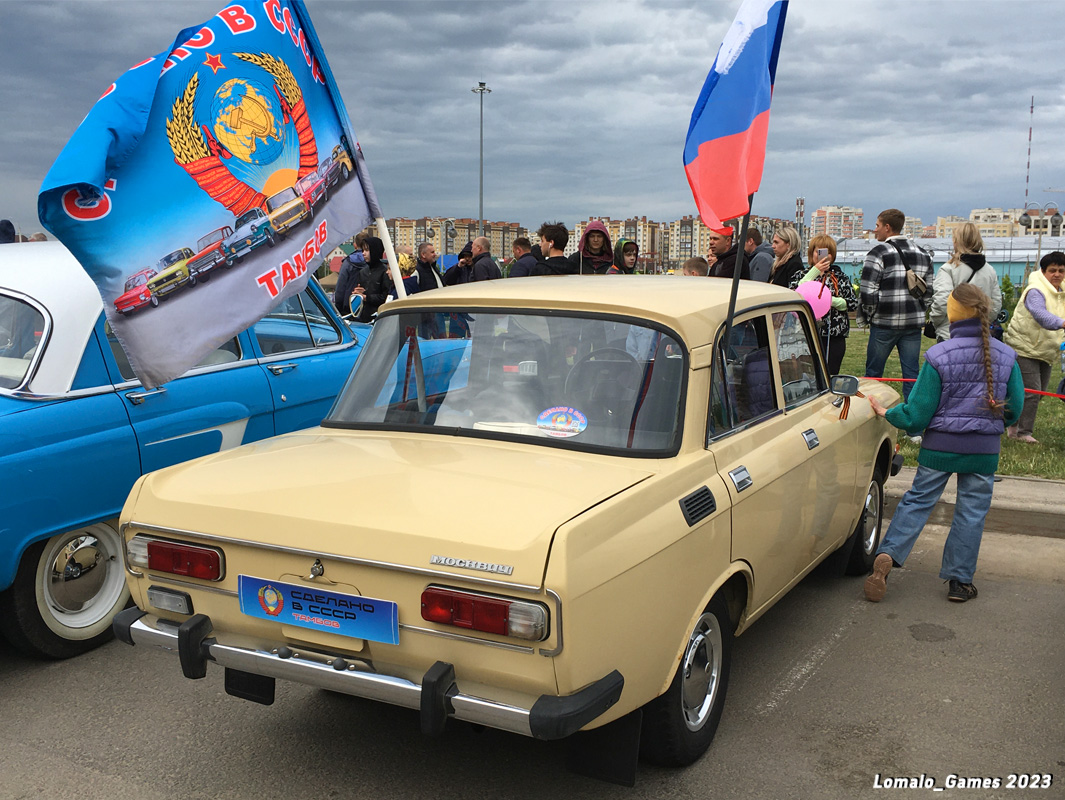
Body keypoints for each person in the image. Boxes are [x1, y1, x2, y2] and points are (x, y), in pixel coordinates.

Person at [864, 284, 1023, 604]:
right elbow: (1015, 408)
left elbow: (918, 414)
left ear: (951, 315)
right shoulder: (1007, 355)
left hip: (939, 448)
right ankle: (960, 581)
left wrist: (888, 413)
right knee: (971, 512)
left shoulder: (938, 355)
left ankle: (888, 555)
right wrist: (991, 427)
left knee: (918, 500)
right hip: (983, 452)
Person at [859, 208, 934, 402]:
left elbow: (868, 291)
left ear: (887, 227)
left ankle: (872, 414)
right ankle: (914, 426)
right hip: (912, 325)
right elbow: (928, 292)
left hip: (884, 322)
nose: (875, 230)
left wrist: (870, 315)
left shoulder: (878, 253)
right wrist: (919, 311)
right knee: (911, 375)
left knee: (874, 375)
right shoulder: (923, 254)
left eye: (877, 226)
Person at [1003, 251, 1065, 444]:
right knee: (1032, 391)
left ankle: (1011, 424)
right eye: (1052, 270)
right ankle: (1022, 433)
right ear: (1043, 271)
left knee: (1039, 392)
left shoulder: (1061, 292)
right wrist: (1062, 323)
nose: (1057, 274)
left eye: (1061, 271)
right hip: (1024, 347)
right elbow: (1040, 314)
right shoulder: (1035, 291)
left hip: (1045, 350)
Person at [790, 234, 859, 376]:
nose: (822, 256)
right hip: (807, 334)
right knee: (809, 374)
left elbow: (852, 303)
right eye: (818, 252)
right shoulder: (801, 275)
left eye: (826, 252)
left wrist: (830, 301)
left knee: (831, 373)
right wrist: (815, 271)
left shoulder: (840, 277)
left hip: (834, 335)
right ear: (811, 253)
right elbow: (795, 292)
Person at [929, 223, 1002, 343]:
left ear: (956, 242)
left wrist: (935, 322)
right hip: (980, 334)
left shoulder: (948, 269)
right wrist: (984, 321)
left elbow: (941, 302)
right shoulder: (990, 270)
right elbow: (995, 305)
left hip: (951, 333)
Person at [351, 236, 391, 322]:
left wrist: (367, 297)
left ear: (375, 251)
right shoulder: (363, 271)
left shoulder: (385, 271)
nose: (363, 253)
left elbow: (386, 296)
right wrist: (359, 293)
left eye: (366, 250)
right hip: (363, 316)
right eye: (362, 250)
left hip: (379, 317)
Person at [333, 233, 367, 315]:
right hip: (367, 306)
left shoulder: (347, 263)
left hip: (348, 307)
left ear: (355, 245)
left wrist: (338, 308)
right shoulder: (373, 262)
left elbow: (341, 287)